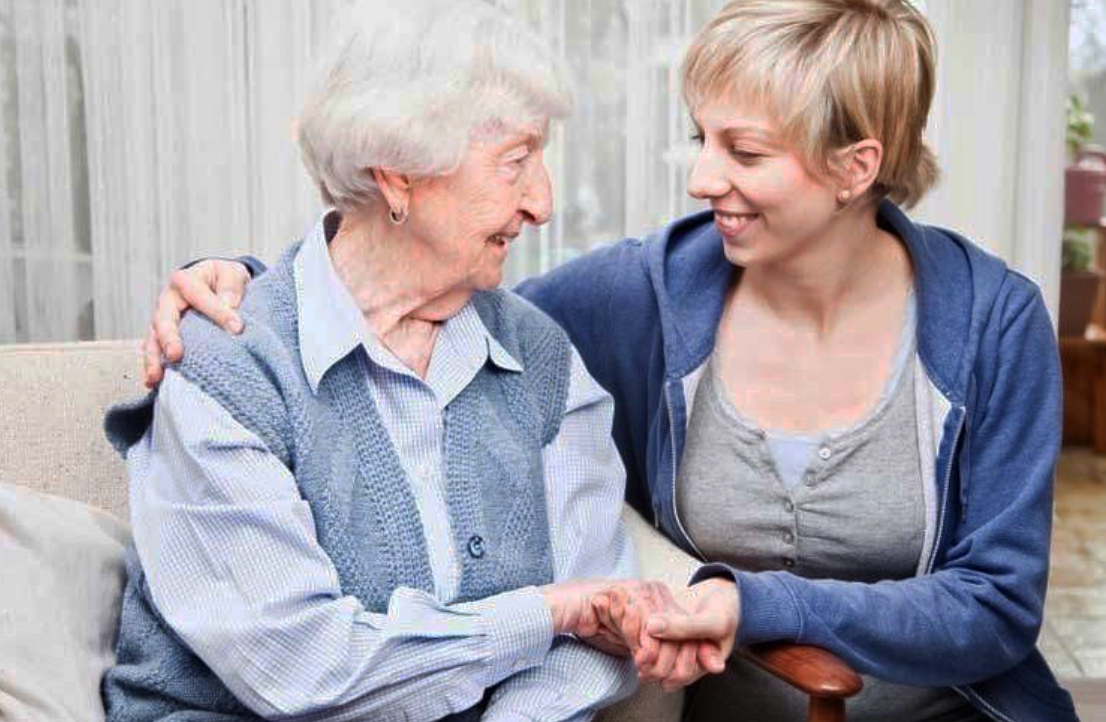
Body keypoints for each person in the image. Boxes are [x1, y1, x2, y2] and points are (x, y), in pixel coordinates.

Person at [141, 0, 1079, 720]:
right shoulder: (640, 299)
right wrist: (237, 288)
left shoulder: (989, 324)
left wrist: (741, 604)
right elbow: (363, 302)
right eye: (703, 137)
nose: (702, 178)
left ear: (855, 166)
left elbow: (995, 606)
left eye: (743, 150)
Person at [96, 2, 726, 719]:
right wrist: (542, 613)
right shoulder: (228, 375)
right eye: (515, 162)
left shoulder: (542, 362)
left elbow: (598, 627)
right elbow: (303, 669)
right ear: (396, 176)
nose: (542, 202)